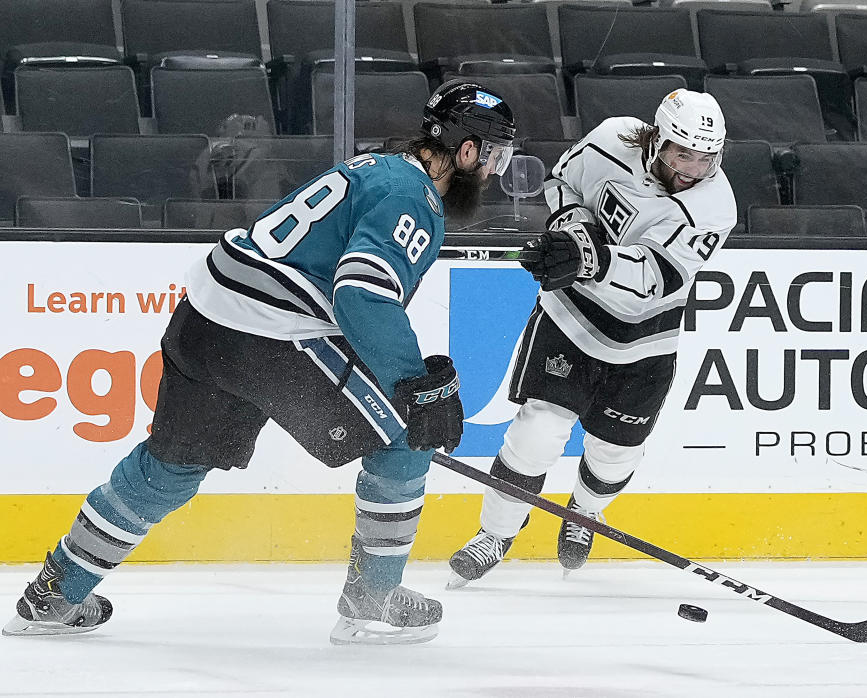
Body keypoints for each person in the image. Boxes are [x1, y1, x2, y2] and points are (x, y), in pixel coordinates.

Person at [3, 79, 516, 646]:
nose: (493, 171)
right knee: (404, 440)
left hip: (206, 318)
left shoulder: (375, 168)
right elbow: (363, 293)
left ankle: (53, 596)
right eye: (493, 154)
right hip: (273, 336)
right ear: (466, 151)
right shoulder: (413, 196)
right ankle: (371, 599)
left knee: (171, 464)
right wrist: (413, 383)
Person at [447, 89, 736, 587]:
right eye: (682, 153)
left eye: (706, 157)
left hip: (646, 340)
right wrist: (574, 235)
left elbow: (658, 277)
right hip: (571, 317)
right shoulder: (609, 139)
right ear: (656, 140)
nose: (693, 169)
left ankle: (584, 513)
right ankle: (495, 534)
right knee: (537, 431)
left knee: (614, 452)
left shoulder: (714, 206)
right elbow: (562, 184)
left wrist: (589, 258)